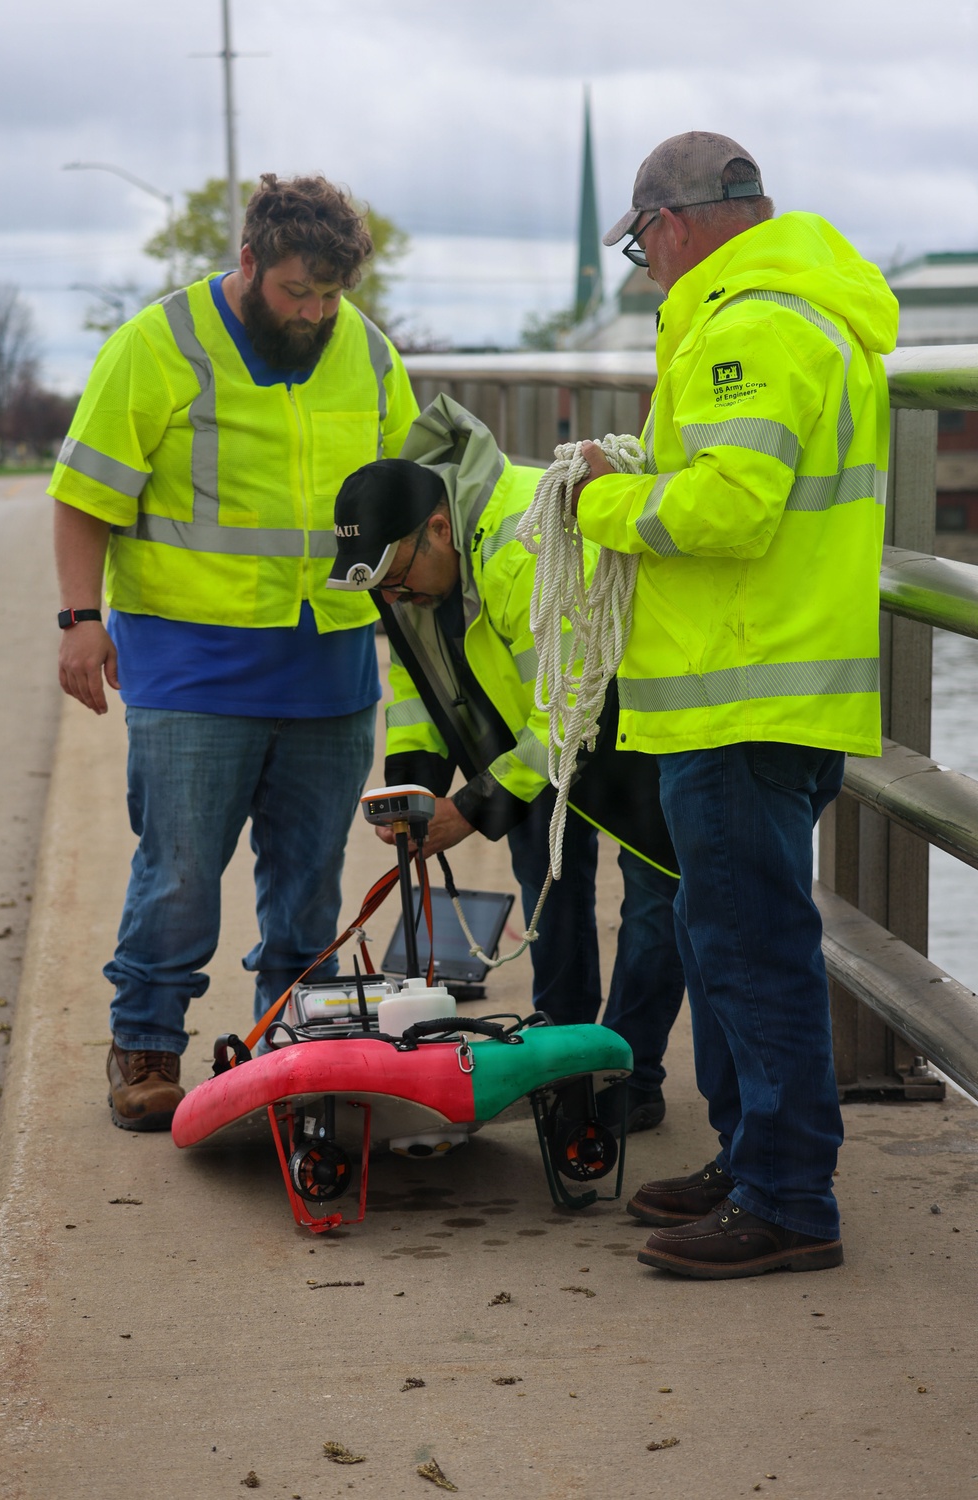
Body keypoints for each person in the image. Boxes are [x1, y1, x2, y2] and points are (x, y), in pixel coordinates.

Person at [573, 132, 898, 1277]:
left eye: (638, 243)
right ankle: (750, 1161)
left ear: (670, 223)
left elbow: (728, 507)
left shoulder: (749, 326)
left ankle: (786, 1198)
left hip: (741, 699)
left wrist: (607, 504)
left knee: (752, 950)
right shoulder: (806, 315)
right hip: (775, 689)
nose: (644, 266)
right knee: (731, 946)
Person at [50, 173, 418, 1131]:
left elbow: (410, 490)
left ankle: (294, 1049)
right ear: (249, 261)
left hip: (328, 666)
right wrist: (79, 619)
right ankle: (145, 1049)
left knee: (308, 880)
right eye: (298, 290)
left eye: (331, 294)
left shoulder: (369, 352)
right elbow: (85, 493)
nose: (315, 311)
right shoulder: (158, 346)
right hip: (191, 666)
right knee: (179, 872)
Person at [327, 394, 685, 1131]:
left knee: (654, 897)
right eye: (379, 589)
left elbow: (572, 708)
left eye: (396, 579)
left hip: (627, 716)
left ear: (436, 529)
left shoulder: (523, 546)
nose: (392, 598)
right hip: (532, 737)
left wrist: (473, 806)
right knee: (549, 885)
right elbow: (414, 685)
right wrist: (415, 793)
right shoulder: (408, 563)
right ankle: (560, 1054)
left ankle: (628, 1074)